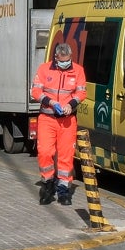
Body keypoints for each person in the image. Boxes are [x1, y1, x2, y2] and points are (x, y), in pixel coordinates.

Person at [30, 42, 86, 205]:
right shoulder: (44, 69)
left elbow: (81, 92)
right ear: (56, 58)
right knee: (45, 152)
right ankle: (47, 185)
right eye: (62, 60)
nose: (65, 63)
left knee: (65, 155)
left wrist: (71, 105)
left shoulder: (78, 70)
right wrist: (51, 102)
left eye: (68, 60)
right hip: (47, 118)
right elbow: (35, 91)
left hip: (68, 120)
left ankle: (63, 190)